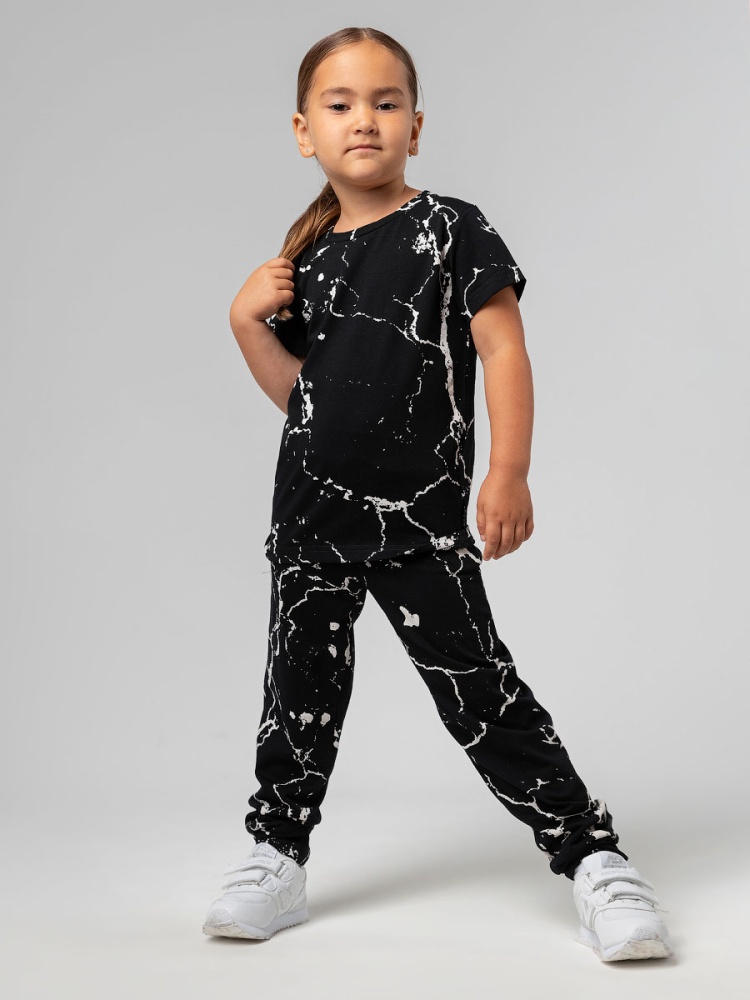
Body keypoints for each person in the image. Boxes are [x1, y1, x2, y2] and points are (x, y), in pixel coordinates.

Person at [202, 26, 673, 963]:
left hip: (419, 521)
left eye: (385, 103)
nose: (363, 120)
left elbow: (503, 348)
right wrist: (246, 323)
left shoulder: (452, 228)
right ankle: (275, 856)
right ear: (303, 130)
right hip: (311, 523)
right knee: (297, 695)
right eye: (340, 104)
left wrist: (508, 471)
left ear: (415, 125)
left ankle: (593, 857)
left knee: (482, 692)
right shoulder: (306, 259)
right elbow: (306, 400)